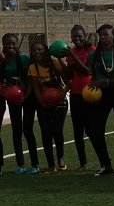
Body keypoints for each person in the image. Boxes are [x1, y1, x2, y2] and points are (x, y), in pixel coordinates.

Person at [87, 24, 114, 176]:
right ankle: (106, 164)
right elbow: (92, 75)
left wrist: (104, 81)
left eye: (106, 35)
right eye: (101, 35)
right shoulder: (93, 55)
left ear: (113, 37)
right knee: (95, 130)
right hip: (100, 95)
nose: (103, 38)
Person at [28, 40, 70, 173]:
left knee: (57, 132)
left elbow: (67, 82)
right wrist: (42, 103)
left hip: (60, 102)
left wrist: (61, 96)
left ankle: (60, 158)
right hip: (44, 104)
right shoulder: (33, 67)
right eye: (34, 50)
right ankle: (51, 165)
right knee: (46, 133)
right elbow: (36, 88)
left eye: (40, 49)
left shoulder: (55, 63)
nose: (37, 52)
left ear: (46, 50)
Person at [2, 33, 40, 174]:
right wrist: (5, 90)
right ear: (3, 45)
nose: (10, 46)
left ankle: (35, 164)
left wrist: (27, 95)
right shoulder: (3, 61)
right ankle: (20, 165)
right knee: (16, 131)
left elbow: (31, 80)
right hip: (13, 99)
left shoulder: (24, 59)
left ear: (17, 44)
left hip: (27, 97)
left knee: (28, 130)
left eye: (13, 43)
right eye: (7, 44)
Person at [63, 25, 95, 171]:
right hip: (75, 94)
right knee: (77, 130)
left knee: (91, 129)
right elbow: (70, 75)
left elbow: (88, 70)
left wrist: (74, 56)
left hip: (89, 93)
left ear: (84, 35)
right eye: (74, 36)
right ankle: (83, 163)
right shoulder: (69, 54)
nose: (76, 39)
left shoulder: (91, 50)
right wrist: (63, 63)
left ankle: (103, 160)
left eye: (79, 36)